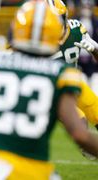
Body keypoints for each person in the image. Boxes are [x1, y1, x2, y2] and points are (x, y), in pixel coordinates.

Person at [0, 1, 98, 179]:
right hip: (58, 87)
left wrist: (94, 48)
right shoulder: (60, 73)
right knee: (79, 121)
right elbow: (79, 133)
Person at [46, 0, 98, 131]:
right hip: (52, 90)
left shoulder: (76, 30)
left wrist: (93, 50)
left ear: (65, 16)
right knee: (80, 123)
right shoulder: (38, 39)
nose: (55, 24)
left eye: (57, 19)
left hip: (75, 83)